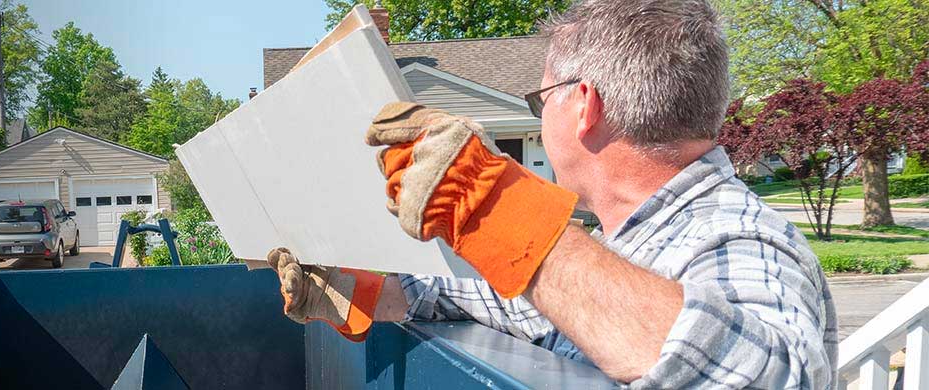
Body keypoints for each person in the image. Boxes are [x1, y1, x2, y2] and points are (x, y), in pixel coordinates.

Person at [266, 0, 837, 388]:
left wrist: (498, 211)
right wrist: (346, 287)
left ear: (584, 104)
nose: (541, 124)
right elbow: (461, 294)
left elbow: (770, 376)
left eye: (542, 103)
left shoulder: (740, 236)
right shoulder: (619, 245)